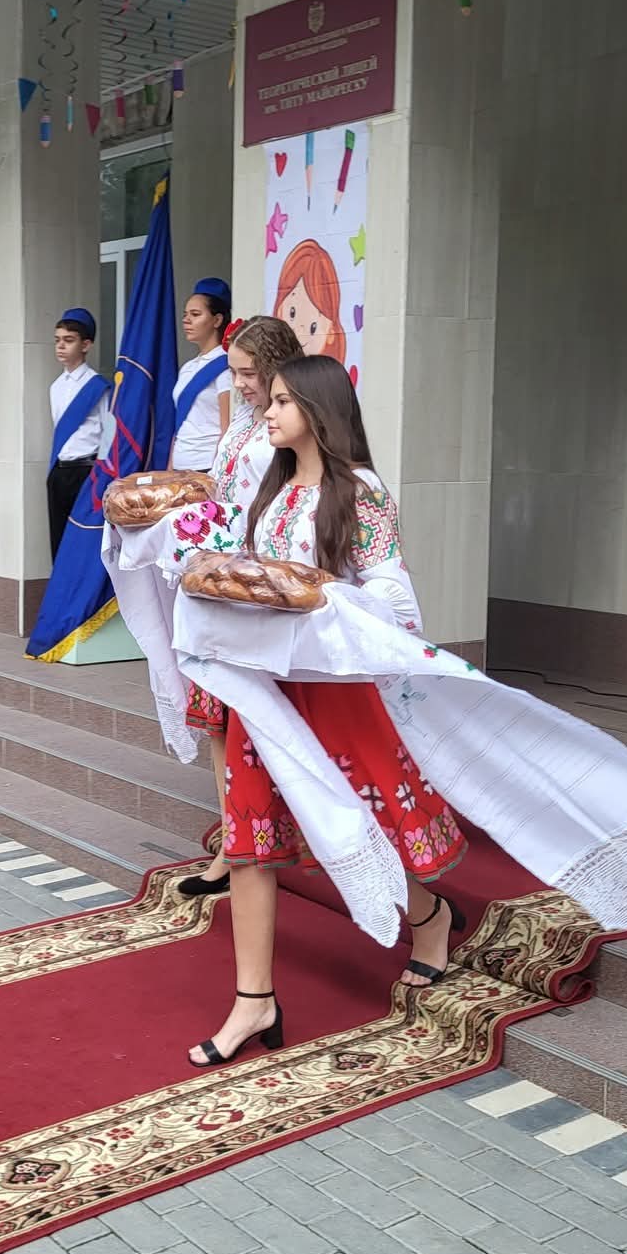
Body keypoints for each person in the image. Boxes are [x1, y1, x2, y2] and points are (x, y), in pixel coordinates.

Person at [188, 356, 465, 1065]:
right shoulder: (275, 490)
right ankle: (254, 999)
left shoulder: (359, 491)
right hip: (264, 688)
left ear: (317, 409)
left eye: (282, 400)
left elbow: (392, 594)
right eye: (270, 399)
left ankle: (429, 916)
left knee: (360, 825)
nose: (268, 411)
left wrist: (324, 596)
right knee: (248, 836)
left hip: (332, 689)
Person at [176, 314, 302, 898]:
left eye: (250, 373)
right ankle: (234, 839)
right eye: (235, 372)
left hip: (265, 588)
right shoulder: (245, 420)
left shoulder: (293, 425)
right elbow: (225, 489)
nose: (241, 384)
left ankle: (265, 837)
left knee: (257, 722)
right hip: (225, 582)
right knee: (219, 720)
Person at [47, 309, 111, 559]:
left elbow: (109, 433)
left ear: (86, 345)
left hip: (86, 472)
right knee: (59, 539)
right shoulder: (55, 387)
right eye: (57, 340)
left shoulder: (98, 386)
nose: (61, 346)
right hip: (60, 471)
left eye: (69, 340)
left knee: (84, 539)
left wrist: (101, 476)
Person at [170, 279, 231, 470]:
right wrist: (170, 466)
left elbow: (227, 427)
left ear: (217, 320)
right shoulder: (188, 367)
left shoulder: (227, 365)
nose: (186, 320)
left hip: (207, 465)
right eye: (185, 314)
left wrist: (218, 471)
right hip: (180, 463)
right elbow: (181, 422)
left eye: (195, 314)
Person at [273, 239, 347, 363]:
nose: (298, 332)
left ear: (331, 332)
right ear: (280, 311)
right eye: (292, 313)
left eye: (313, 327)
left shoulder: (328, 371)